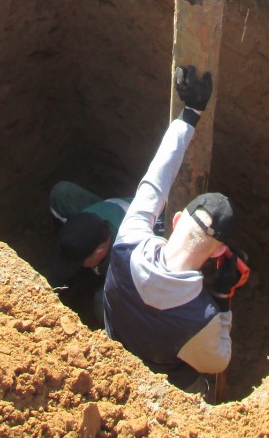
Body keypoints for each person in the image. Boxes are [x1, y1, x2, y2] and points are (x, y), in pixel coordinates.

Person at [102, 66, 247, 391]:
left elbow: (157, 178)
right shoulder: (203, 318)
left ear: (178, 218)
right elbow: (220, 359)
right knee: (194, 385)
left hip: (111, 349)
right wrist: (222, 299)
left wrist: (190, 114)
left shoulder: (129, 241)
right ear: (222, 250)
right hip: (153, 383)